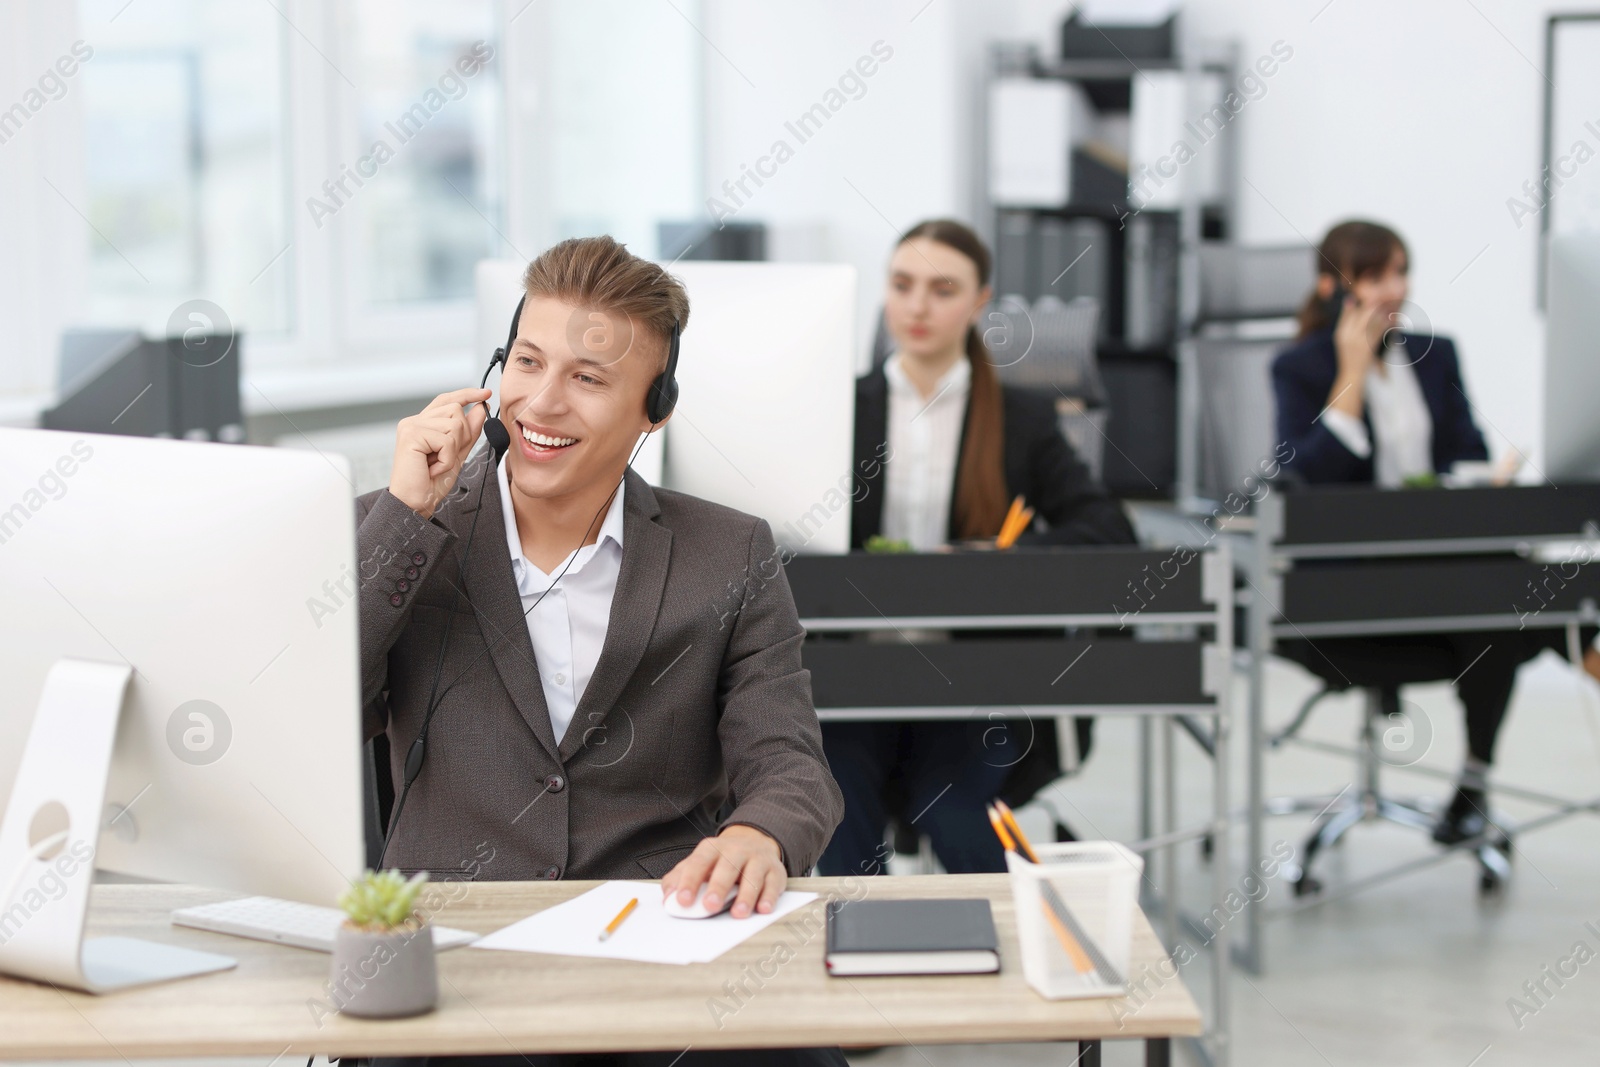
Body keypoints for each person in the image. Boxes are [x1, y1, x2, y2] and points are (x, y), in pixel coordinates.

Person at [358, 236, 846, 1067]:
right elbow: (313, 709)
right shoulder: (400, 528)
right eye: (526, 362)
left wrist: (761, 832)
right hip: (463, 953)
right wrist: (409, 517)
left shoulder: (728, 554)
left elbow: (789, 759)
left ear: (655, 407)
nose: (542, 403)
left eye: (586, 378)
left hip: (659, 943)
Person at [819, 218, 1135, 880]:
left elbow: (1107, 528)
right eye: (903, 285)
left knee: (957, 814)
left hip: (974, 680)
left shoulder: (1022, 419)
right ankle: (862, 961)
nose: (917, 306)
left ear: (978, 302)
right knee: (836, 811)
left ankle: (998, 962)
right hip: (853, 677)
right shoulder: (840, 408)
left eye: (942, 289)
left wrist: (997, 560)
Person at [1272, 219, 1600, 846]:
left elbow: (1466, 452)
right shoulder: (1299, 368)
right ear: (1330, 287)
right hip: (1345, 593)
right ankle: (1477, 783)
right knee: (1515, 598)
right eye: (1374, 276)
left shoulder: (1435, 354)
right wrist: (1350, 371)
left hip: (1444, 578)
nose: (1395, 287)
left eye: (1400, 271)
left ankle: (1473, 783)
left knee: (1511, 592)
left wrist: (1481, 480)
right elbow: (1303, 484)